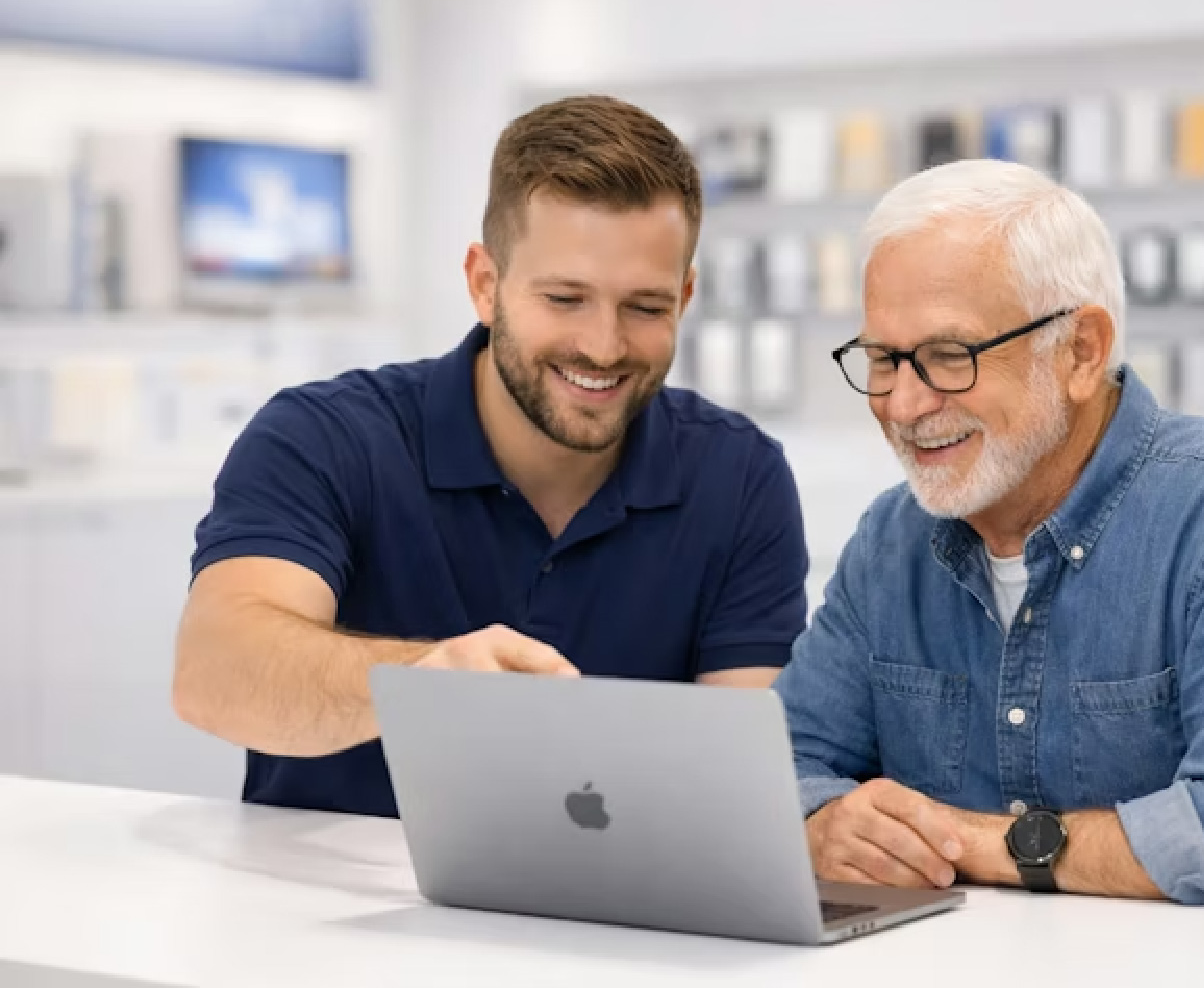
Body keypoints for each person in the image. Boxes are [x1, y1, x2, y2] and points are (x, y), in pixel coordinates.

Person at [772, 159, 1204, 914]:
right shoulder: (891, 543)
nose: (901, 405)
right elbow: (775, 768)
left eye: (948, 357)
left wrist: (974, 844)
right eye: (882, 359)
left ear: (1081, 352)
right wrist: (822, 826)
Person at [174, 96, 808, 817]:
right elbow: (215, 673)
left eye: (645, 307)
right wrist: (425, 680)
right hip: (323, 889)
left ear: (685, 297)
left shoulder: (739, 476)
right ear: (484, 283)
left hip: (624, 891)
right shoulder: (323, 438)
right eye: (565, 298)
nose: (604, 346)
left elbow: (743, 780)